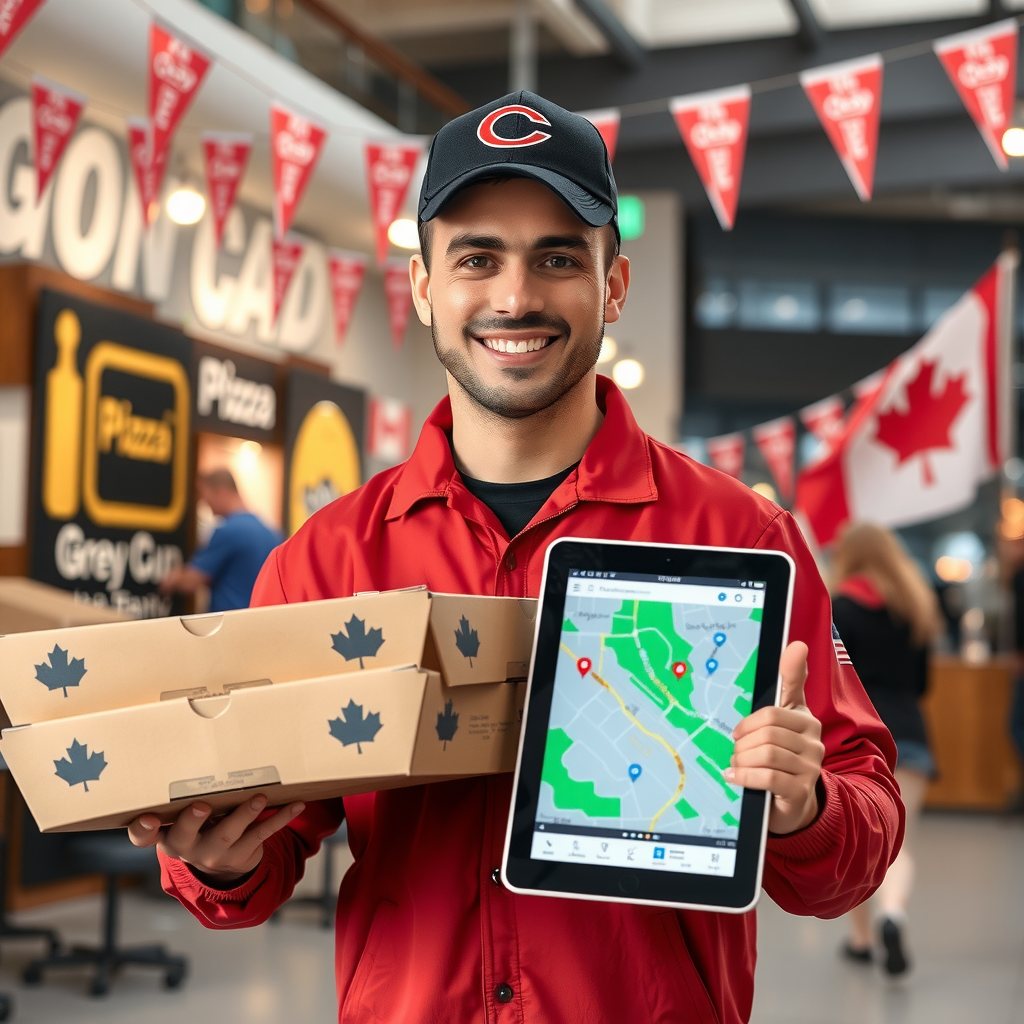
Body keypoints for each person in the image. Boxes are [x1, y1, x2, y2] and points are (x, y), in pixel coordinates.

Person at [129, 92, 903, 1024]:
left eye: (558, 258)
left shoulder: (744, 539)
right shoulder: (325, 561)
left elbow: (858, 833)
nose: (515, 296)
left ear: (614, 286)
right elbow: (263, 850)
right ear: (423, 288)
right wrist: (217, 855)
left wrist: (803, 805)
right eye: (476, 258)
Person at [832, 523, 942, 976]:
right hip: (912, 736)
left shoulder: (839, 608)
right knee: (901, 842)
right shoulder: (915, 607)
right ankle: (893, 914)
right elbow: (922, 683)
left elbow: (834, 681)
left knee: (859, 842)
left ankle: (862, 940)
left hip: (858, 737)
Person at [158, 468, 282, 613]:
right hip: (261, 621)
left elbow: (190, 583)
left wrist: (174, 578)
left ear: (221, 491)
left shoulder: (228, 531)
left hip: (230, 626)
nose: (205, 504)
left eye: (205, 496)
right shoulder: (272, 532)